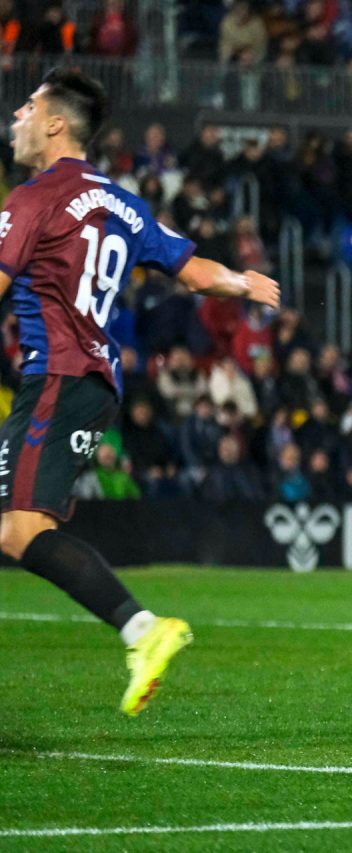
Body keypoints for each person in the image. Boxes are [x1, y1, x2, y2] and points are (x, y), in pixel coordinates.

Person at [0, 68, 280, 714]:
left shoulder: (31, 200)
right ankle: (140, 629)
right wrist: (242, 281)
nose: (16, 115)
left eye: (28, 106)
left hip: (57, 378)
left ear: (55, 123)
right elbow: (191, 269)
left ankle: (142, 629)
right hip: (94, 381)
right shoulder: (122, 200)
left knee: (19, 531)